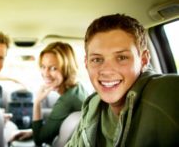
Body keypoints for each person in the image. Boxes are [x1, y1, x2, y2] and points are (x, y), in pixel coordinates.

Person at [65, 14, 179, 147]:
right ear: (86, 63)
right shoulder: (92, 105)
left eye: (122, 58)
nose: (107, 71)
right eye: (97, 59)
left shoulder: (169, 94)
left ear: (143, 60)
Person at [10, 42, 87, 146]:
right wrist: (32, 132)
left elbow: (39, 140)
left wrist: (37, 102)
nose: (45, 73)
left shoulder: (66, 101)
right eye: (43, 66)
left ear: (67, 69)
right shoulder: (77, 89)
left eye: (53, 68)